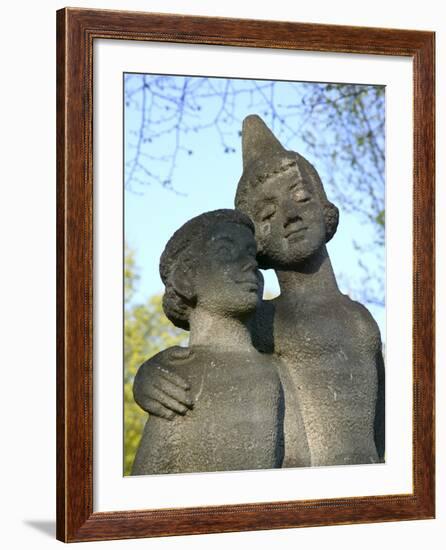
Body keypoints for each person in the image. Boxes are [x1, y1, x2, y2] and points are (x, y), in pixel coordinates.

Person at [134, 116, 385, 468]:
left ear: (324, 206)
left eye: (300, 197)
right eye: (267, 213)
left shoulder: (362, 319)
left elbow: (382, 429)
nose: (290, 216)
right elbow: (206, 349)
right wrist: (150, 375)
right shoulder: (263, 319)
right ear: (258, 242)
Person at [131, 209, 287, 475]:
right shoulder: (178, 374)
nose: (250, 264)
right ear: (186, 278)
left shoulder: (277, 366)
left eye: (251, 254)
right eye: (226, 251)